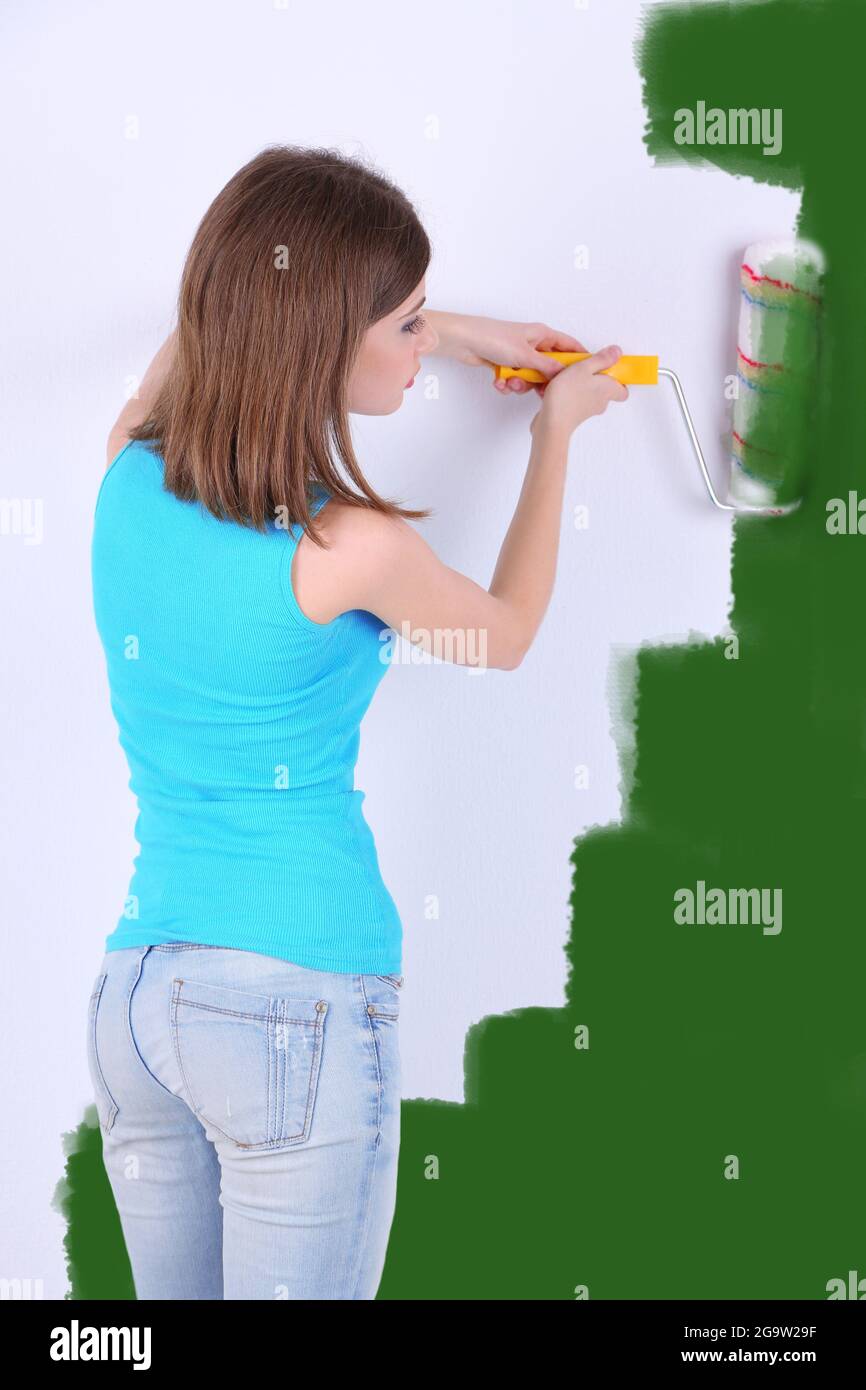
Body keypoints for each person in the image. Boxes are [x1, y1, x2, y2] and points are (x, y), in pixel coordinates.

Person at [86, 143, 628, 1301]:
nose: (423, 342)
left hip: (134, 1006)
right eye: (408, 325)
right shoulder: (346, 551)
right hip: (289, 1007)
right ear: (325, 341)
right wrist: (556, 434)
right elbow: (505, 631)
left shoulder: (124, 473)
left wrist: (461, 333)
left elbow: (210, 328)